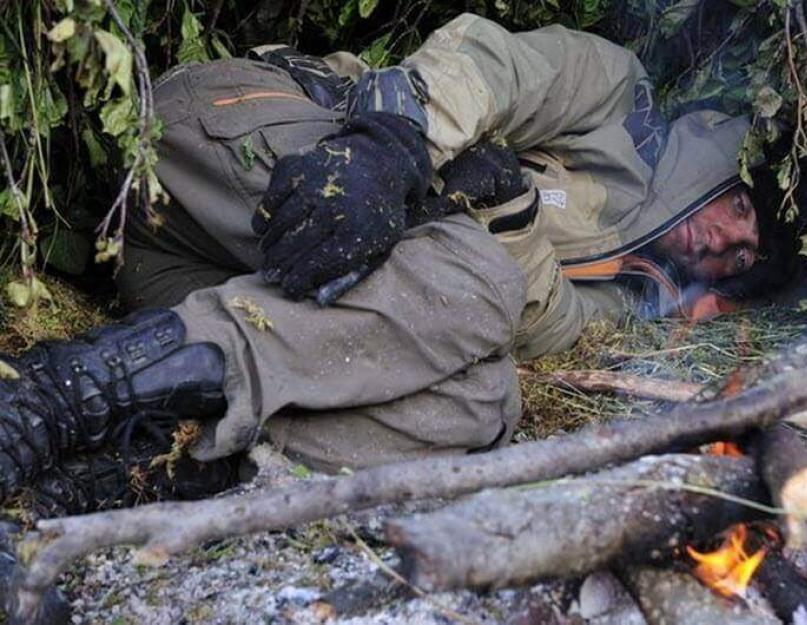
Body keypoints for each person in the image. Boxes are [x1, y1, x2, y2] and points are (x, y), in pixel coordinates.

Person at [1, 12, 799, 623]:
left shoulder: (637, 294)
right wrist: (392, 145)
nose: (725, 242)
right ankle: (41, 403)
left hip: (204, 281)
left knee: (486, 404)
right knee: (474, 286)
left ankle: (97, 479)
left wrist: (510, 213)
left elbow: (545, 328)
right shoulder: (622, 99)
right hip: (238, 144)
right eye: (740, 212)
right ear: (729, 163)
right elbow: (493, 63)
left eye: (741, 260)